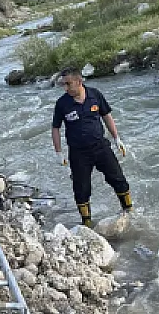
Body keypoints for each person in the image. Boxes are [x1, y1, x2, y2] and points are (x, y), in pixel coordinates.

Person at [51, 67, 132, 228]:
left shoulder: (95, 95)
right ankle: (87, 222)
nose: (65, 88)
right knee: (81, 189)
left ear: (79, 81)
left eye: (68, 84)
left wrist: (117, 138)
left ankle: (128, 210)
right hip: (78, 153)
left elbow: (106, 115)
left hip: (101, 147)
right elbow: (55, 128)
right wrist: (59, 153)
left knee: (118, 179)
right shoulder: (62, 103)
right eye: (63, 85)